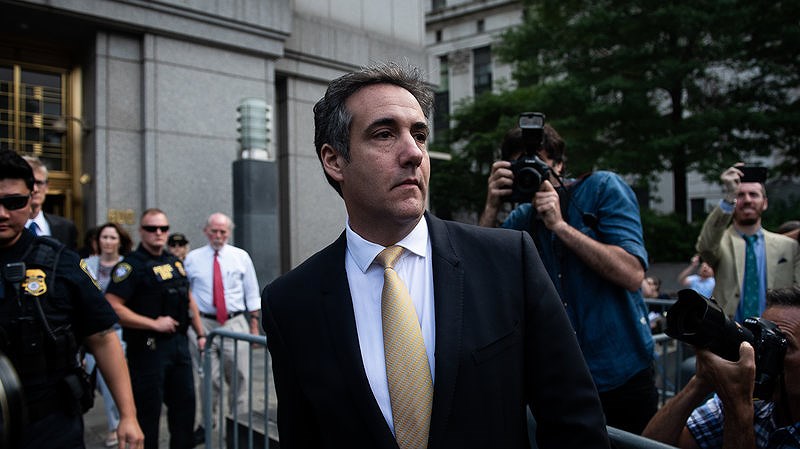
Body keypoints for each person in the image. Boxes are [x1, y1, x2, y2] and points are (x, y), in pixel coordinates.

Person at [262, 62, 609, 449]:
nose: (414, 153)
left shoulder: (510, 261)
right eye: (384, 134)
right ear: (334, 160)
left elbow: (575, 422)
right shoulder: (290, 302)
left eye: (420, 135)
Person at [478, 124, 657, 433]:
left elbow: (632, 273)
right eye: (519, 166)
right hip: (561, 384)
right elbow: (477, 273)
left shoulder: (602, 188)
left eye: (538, 163)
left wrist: (560, 226)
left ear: (559, 165)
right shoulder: (523, 217)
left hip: (623, 374)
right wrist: (491, 207)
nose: (529, 173)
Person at [0, 150, 143, 449]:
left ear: (31, 200)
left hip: (49, 424)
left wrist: (128, 416)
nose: (2, 213)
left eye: (13, 202)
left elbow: (103, 338)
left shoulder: (60, 262)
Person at [642, 286, 800, 448]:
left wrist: (738, 406)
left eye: (781, 345)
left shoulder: (741, 400)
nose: (757, 352)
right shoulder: (756, 402)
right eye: (760, 337)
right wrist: (700, 381)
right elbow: (648, 445)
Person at [105, 208, 206, 449]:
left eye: (163, 228)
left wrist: (201, 333)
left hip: (179, 346)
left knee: (185, 411)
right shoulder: (130, 266)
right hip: (147, 349)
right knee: (147, 416)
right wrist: (153, 324)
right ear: (141, 231)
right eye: (152, 228)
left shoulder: (174, 262)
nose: (158, 233)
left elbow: (188, 298)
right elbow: (112, 306)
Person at [184, 212, 261, 441]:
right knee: (208, 379)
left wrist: (254, 325)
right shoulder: (193, 259)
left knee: (240, 377)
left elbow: (251, 291)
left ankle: (239, 427)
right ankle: (207, 425)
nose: (218, 235)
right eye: (214, 231)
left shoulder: (240, 257)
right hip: (204, 324)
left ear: (229, 232)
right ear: (206, 231)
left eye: (222, 231)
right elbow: (186, 292)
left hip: (234, 323)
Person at [695, 165, 800, 322]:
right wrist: (730, 195)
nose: (747, 200)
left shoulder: (789, 247)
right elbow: (705, 247)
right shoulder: (720, 243)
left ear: (765, 203)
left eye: (753, 194)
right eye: (740, 195)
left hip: (776, 331)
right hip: (730, 331)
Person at [82, 222, 134, 447]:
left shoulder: (127, 266)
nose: (108, 242)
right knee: (94, 380)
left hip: (118, 331)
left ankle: (116, 425)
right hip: (90, 333)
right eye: (104, 237)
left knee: (109, 378)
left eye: (113, 237)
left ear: (120, 241)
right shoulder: (86, 265)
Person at [22, 155, 78, 250]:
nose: (35, 189)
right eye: (30, 183)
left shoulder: (66, 227)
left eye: (39, 183)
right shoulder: (6, 226)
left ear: (47, 187)